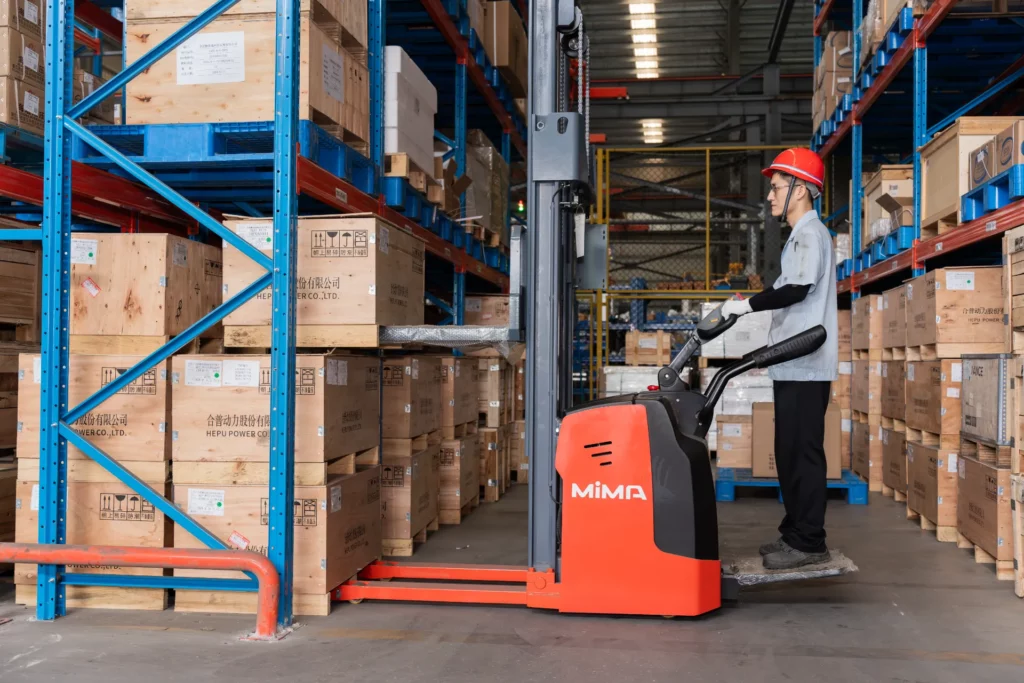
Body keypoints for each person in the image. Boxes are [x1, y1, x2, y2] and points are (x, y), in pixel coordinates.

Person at [719, 148, 838, 570]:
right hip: (794, 364)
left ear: (801, 190)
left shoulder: (809, 235)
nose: (769, 197)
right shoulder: (800, 237)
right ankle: (794, 533)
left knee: (802, 453)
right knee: (788, 452)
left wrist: (746, 305)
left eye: (776, 188)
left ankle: (808, 543)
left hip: (807, 366)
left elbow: (797, 290)